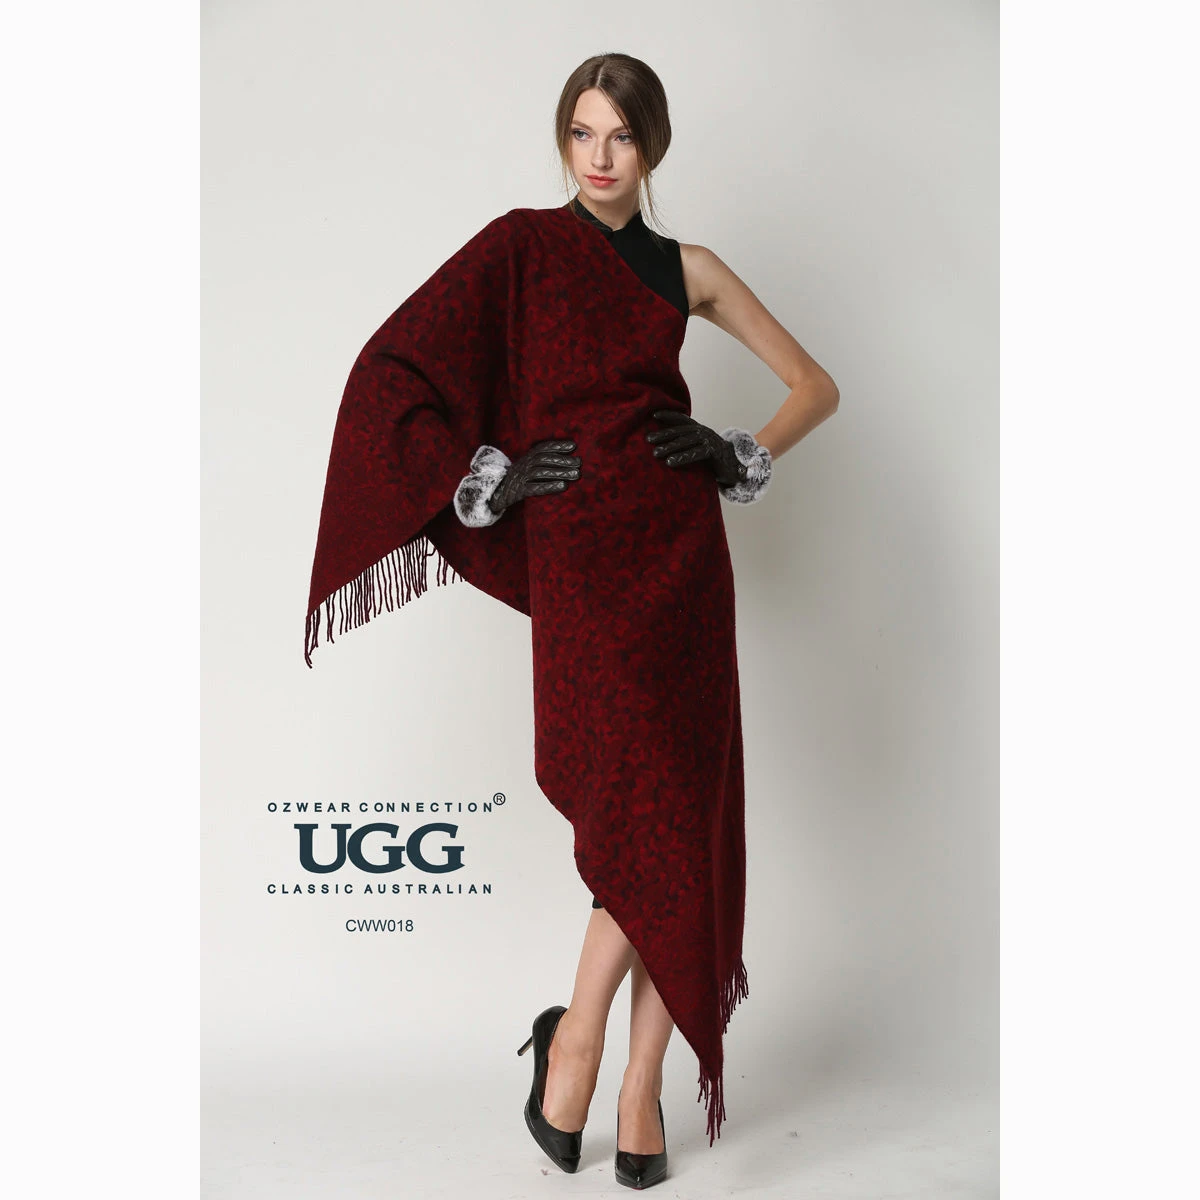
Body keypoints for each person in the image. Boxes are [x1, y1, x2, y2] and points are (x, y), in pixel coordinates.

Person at [304, 53, 838, 1189]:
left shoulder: (690, 269)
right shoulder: (520, 248)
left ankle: (631, 1080)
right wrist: (486, 476)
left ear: (654, 148)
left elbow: (814, 386)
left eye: (622, 137)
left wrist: (735, 451)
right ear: (564, 141)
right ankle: (581, 1046)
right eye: (582, 134)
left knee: (677, 819)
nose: (600, 158)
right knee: (642, 816)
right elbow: (391, 369)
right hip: (586, 567)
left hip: (683, 563)